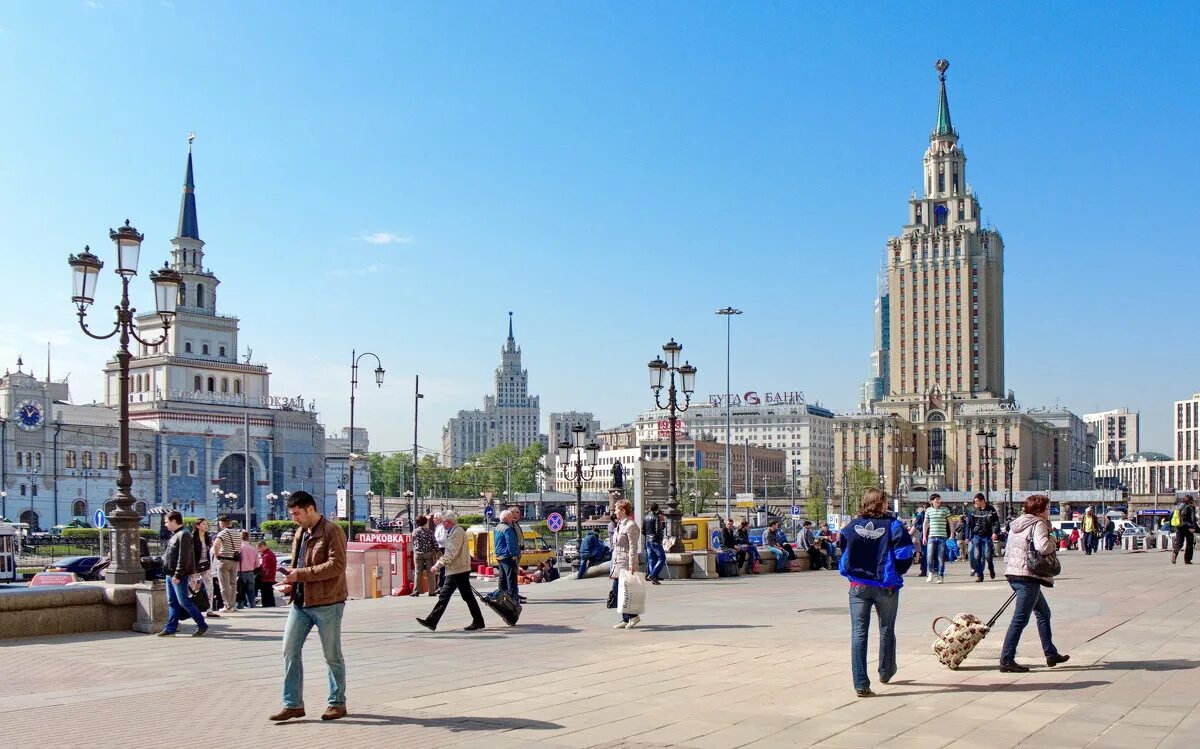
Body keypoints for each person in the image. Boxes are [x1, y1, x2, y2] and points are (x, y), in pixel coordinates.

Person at [272, 491, 349, 722]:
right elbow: (296, 565)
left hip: (328, 602)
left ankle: (337, 703)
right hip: (301, 602)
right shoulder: (300, 532)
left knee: (331, 654)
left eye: (297, 514)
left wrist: (300, 575)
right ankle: (292, 704)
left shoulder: (332, 531)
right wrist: (289, 583)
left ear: (310, 509)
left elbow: (336, 566)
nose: (294, 518)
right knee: (289, 650)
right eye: (292, 514)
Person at [839, 489, 914, 698]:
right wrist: (897, 572)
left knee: (858, 633)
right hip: (885, 585)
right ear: (880, 503)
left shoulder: (851, 527)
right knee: (887, 629)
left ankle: (861, 683)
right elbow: (905, 553)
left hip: (858, 586)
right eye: (885, 501)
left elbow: (843, 550)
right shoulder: (893, 525)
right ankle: (886, 671)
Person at [999, 494, 1069, 673]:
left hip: (1014, 573)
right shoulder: (1038, 523)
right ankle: (1006, 659)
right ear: (1039, 510)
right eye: (1047, 508)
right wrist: (1054, 541)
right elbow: (1043, 547)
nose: (1048, 512)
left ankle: (1051, 653)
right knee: (1020, 620)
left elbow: (1007, 551)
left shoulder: (1017, 524)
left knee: (1044, 613)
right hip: (1028, 576)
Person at [417, 512, 485, 632]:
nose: (441, 524)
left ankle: (432, 621)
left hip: (458, 569)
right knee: (463, 596)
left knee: (450, 596)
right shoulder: (453, 531)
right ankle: (478, 621)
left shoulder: (457, 532)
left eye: (443, 522)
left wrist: (437, 565)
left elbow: (451, 552)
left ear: (448, 522)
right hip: (456, 568)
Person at [157, 511, 208, 637]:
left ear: (174, 521)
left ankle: (202, 624)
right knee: (172, 602)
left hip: (177, 575)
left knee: (184, 601)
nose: (165, 525)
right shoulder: (175, 535)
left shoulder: (183, 534)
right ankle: (170, 628)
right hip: (170, 574)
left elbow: (183, 557)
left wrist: (178, 574)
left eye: (167, 522)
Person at [609, 499, 641, 629]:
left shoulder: (631, 525)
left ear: (623, 510)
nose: (615, 511)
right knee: (619, 590)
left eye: (616, 509)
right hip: (617, 562)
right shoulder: (620, 524)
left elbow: (633, 547)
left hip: (626, 562)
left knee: (623, 590)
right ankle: (626, 618)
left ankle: (633, 616)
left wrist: (632, 564)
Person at [966, 493, 1000, 582]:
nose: (975, 503)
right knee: (977, 556)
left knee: (988, 555)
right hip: (976, 536)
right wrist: (968, 537)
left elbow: (996, 522)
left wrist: (995, 532)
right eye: (975, 501)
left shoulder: (991, 510)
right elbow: (969, 525)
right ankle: (980, 575)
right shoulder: (973, 512)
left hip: (987, 536)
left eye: (977, 501)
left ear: (982, 501)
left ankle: (991, 568)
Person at [211, 516, 241, 614]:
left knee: (224, 584)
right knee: (233, 584)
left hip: (224, 560)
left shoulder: (223, 533)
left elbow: (216, 544)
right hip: (234, 561)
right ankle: (232, 605)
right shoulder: (237, 533)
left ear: (222, 523)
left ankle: (227, 606)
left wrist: (216, 555)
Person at [190, 517, 219, 619]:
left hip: (206, 565)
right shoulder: (192, 538)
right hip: (195, 566)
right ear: (197, 526)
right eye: (203, 524)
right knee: (192, 587)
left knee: (210, 586)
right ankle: (190, 610)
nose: (206, 526)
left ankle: (209, 609)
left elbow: (208, 552)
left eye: (206, 524)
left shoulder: (207, 537)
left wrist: (211, 565)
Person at [923, 494, 951, 583]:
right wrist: (924, 536)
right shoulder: (928, 510)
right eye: (936, 500)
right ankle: (931, 572)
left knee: (940, 557)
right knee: (929, 556)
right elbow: (925, 524)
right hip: (931, 536)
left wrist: (952, 535)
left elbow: (950, 523)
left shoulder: (945, 510)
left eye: (939, 499)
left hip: (942, 537)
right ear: (932, 501)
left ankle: (940, 575)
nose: (938, 501)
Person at [493, 510, 521, 598]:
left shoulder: (497, 528)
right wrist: (514, 554)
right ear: (505, 518)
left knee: (502, 577)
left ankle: (501, 596)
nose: (512, 519)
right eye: (510, 517)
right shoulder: (507, 529)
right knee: (511, 577)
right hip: (507, 555)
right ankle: (513, 597)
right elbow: (510, 543)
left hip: (500, 555)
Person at [410, 515, 437, 596]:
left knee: (418, 572)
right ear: (425, 522)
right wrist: (437, 551)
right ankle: (431, 591)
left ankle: (416, 591)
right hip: (428, 554)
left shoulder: (414, 532)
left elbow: (413, 541)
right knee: (430, 572)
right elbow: (434, 543)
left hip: (418, 554)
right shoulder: (429, 532)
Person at [642, 503, 666, 585]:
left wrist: (648, 536)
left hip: (647, 540)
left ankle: (653, 576)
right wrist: (658, 537)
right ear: (657, 509)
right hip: (655, 540)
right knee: (662, 558)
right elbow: (658, 530)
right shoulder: (657, 517)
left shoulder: (645, 517)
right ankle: (653, 575)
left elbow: (643, 531)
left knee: (651, 559)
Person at [1172, 495, 1197, 565]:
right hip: (1188, 527)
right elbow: (1193, 518)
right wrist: (1193, 527)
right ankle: (1187, 560)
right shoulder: (1191, 507)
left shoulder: (1178, 506)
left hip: (1179, 526)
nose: (1193, 501)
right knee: (1189, 543)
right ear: (1189, 501)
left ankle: (1175, 553)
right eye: (1192, 500)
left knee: (1179, 542)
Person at [237, 530, 260, 609]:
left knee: (240, 592)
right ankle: (252, 607)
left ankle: (240, 608)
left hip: (239, 573)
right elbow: (257, 564)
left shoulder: (238, 548)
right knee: (251, 593)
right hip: (250, 572)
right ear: (248, 538)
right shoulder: (253, 549)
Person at [256, 541, 277, 607]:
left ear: (262, 546)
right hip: (271, 577)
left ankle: (267, 606)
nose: (258, 550)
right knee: (270, 595)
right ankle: (271, 606)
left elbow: (265, 569)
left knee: (265, 595)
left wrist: (259, 574)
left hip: (266, 579)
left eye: (258, 548)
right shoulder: (271, 554)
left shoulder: (266, 556)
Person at [432, 512, 447, 592]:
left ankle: (441, 586)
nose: (433, 520)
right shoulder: (438, 527)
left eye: (435, 518)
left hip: (443, 548)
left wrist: (435, 540)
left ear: (440, 519)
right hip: (439, 548)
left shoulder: (443, 527)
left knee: (442, 567)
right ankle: (441, 585)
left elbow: (444, 539)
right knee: (441, 568)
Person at [913, 504, 928, 578]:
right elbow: (916, 525)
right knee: (924, 554)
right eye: (925, 508)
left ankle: (935, 570)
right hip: (923, 536)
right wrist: (924, 526)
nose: (926, 509)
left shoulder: (934, 514)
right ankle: (924, 570)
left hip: (934, 535)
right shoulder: (920, 515)